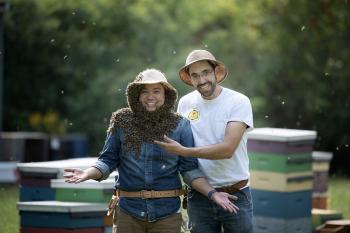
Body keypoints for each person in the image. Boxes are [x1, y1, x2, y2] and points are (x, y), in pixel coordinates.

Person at [64, 68, 238, 233]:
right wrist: (87, 173)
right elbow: (108, 160)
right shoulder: (121, 120)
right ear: (136, 95)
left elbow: (189, 169)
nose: (150, 96)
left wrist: (213, 194)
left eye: (156, 91)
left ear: (166, 95)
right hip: (128, 212)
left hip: (167, 213)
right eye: (145, 91)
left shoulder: (180, 125)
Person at [155, 50, 254, 233]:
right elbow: (181, 150)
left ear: (216, 72)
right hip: (200, 195)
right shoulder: (185, 103)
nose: (201, 80)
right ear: (190, 79)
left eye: (206, 73)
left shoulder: (238, 101)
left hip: (236, 193)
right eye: (195, 75)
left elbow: (227, 149)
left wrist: (183, 151)